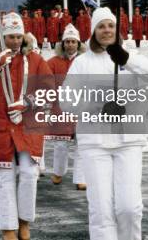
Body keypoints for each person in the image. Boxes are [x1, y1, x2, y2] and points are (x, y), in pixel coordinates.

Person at [67, 7, 148, 240]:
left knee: (129, 208)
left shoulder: (129, 57)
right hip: (95, 142)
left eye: (110, 25)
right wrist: (96, 105)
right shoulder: (81, 63)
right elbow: (67, 101)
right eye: (101, 26)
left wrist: (127, 60)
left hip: (128, 141)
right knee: (101, 210)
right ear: (93, 32)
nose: (106, 30)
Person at [0, 12, 53, 240]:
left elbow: (49, 90)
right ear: (1, 38)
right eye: (10, 37)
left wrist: (27, 103)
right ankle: (8, 227)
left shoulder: (36, 60)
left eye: (18, 37)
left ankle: (24, 220)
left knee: (29, 174)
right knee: (6, 178)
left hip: (27, 126)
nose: (15, 42)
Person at [46, 24, 84, 188]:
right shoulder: (53, 62)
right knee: (60, 144)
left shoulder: (85, 61)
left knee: (81, 144)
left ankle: (81, 178)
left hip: (81, 108)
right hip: (60, 108)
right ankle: (58, 172)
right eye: (67, 42)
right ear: (62, 44)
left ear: (78, 44)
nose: (70, 45)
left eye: (73, 42)